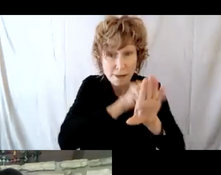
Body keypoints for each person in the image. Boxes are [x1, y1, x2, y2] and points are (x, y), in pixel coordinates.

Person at [58, 15, 185, 150]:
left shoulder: (149, 89)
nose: (120, 65)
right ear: (100, 57)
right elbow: (66, 142)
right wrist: (121, 105)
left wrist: (153, 122)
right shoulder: (90, 86)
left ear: (138, 55)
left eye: (128, 53)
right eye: (111, 54)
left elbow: (178, 147)